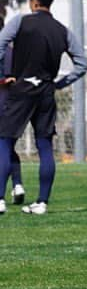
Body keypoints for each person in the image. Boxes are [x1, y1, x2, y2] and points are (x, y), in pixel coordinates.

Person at [0, 0, 87, 215]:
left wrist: (4, 74)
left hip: (21, 90)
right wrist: (59, 83)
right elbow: (82, 65)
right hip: (46, 93)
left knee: (5, 142)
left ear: (34, 1)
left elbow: (0, 43)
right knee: (45, 146)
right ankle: (42, 202)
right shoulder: (62, 30)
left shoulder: (20, 22)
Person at [0, 31, 27, 209]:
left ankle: (0, 198)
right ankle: (17, 184)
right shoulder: (13, 52)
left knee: (3, 149)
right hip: (13, 106)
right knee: (7, 147)